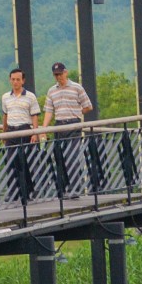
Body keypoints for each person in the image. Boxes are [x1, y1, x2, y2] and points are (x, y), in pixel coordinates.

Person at [44, 60, 94, 196]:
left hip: (73, 124)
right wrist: (44, 128)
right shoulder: (52, 91)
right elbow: (49, 111)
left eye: (60, 74)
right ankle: (63, 188)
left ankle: (75, 188)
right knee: (59, 157)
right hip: (59, 125)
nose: (58, 77)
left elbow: (88, 106)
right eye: (56, 75)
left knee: (72, 157)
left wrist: (77, 113)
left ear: (65, 72)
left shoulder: (77, 87)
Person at [0, 67, 40, 202]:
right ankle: (13, 192)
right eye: (13, 79)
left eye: (18, 79)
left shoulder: (30, 96)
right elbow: (5, 115)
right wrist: (3, 132)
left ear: (23, 81)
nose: (15, 82)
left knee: (25, 162)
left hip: (25, 130)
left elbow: (34, 116)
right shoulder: (5, 97)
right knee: (11, 162)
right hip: (11, 131)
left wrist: (35, 133)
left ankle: (28, 191)